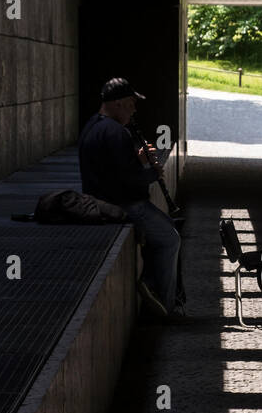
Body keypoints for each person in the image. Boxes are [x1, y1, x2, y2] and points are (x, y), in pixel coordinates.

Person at [78, 78, 184, 321]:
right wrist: (152, 173)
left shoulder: (93, 126)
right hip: (123, 204)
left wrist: (140, 161)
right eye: (130, 104)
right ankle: (164, 305)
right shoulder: (117, 132)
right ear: (116, 104)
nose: (134, 110)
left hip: (100, 199)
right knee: (170, 239)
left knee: (166, 229)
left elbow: (113, 168)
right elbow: (129, 180)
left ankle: (151, 282)